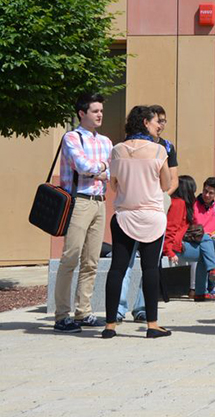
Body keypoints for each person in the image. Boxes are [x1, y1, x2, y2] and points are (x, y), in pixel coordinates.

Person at [101, 105, 175, 339]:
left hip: (124, 216)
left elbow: (114, 184)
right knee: (150, 269)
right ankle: (152, 325)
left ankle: (110, 325)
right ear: (145, 122)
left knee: (117, 269)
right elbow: (166, 184)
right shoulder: (158, 150)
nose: (158, 125)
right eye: (155, 121)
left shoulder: (117, 150)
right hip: (152, 217)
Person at [53, 93, 112, 333]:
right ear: (81, 113)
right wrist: (102, 169)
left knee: (91, 261)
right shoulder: (71, 137)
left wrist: (101, 171)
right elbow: (83, 166)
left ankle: (83, 312)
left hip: (99, 202)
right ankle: (61, 315)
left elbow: (113, 170)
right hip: (78, 201)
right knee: (70, 258)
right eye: (95, 111)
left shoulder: (106, 141)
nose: (100, 115)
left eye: (101, 111)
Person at [163, 175, 215, 301]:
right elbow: (170, 229)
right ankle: (212, 273)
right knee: (206, 241)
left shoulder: (183, 204)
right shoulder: (178, 204)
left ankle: (202, 291)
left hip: (180, 243)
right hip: (174, 246)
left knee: (205, 250)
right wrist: (169, 251)